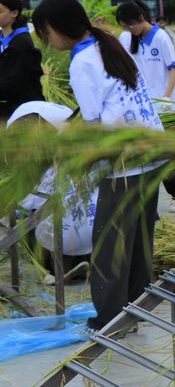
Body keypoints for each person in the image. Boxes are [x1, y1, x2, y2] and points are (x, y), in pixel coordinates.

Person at [32, 0, 164, 333]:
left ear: (58, 27)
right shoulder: (105, 43)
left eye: (44, 32)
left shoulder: (82, 61)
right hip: (152, 151)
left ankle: (109, 321)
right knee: (137, 243)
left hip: (124, 163)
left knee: (109, 246)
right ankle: (133, 311)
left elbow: (94, 126)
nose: (46, 42)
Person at [8, 101, 96, 285]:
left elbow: (27, 203)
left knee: (24, 221)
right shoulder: (87, 165)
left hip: (62, 239)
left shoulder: (44, 169)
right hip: (90, 235)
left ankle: (52, 270)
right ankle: (84, 261)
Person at [116, 1, 175, 213]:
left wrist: (166, 98)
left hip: (164, 108)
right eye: (125, 27)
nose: (129, 30)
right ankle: (147, 203)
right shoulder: (128, 39)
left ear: (140, 18)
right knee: (143, 155)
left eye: (130, 25)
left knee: (164, 154)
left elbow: (174, 70)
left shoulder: (161, 37)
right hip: (141, 106)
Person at [0, 0, 44, 121]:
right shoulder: (5, 39)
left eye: (0, 11)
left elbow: (12, 85)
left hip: (22, 113)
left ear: (14, 13)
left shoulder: (22, 44)